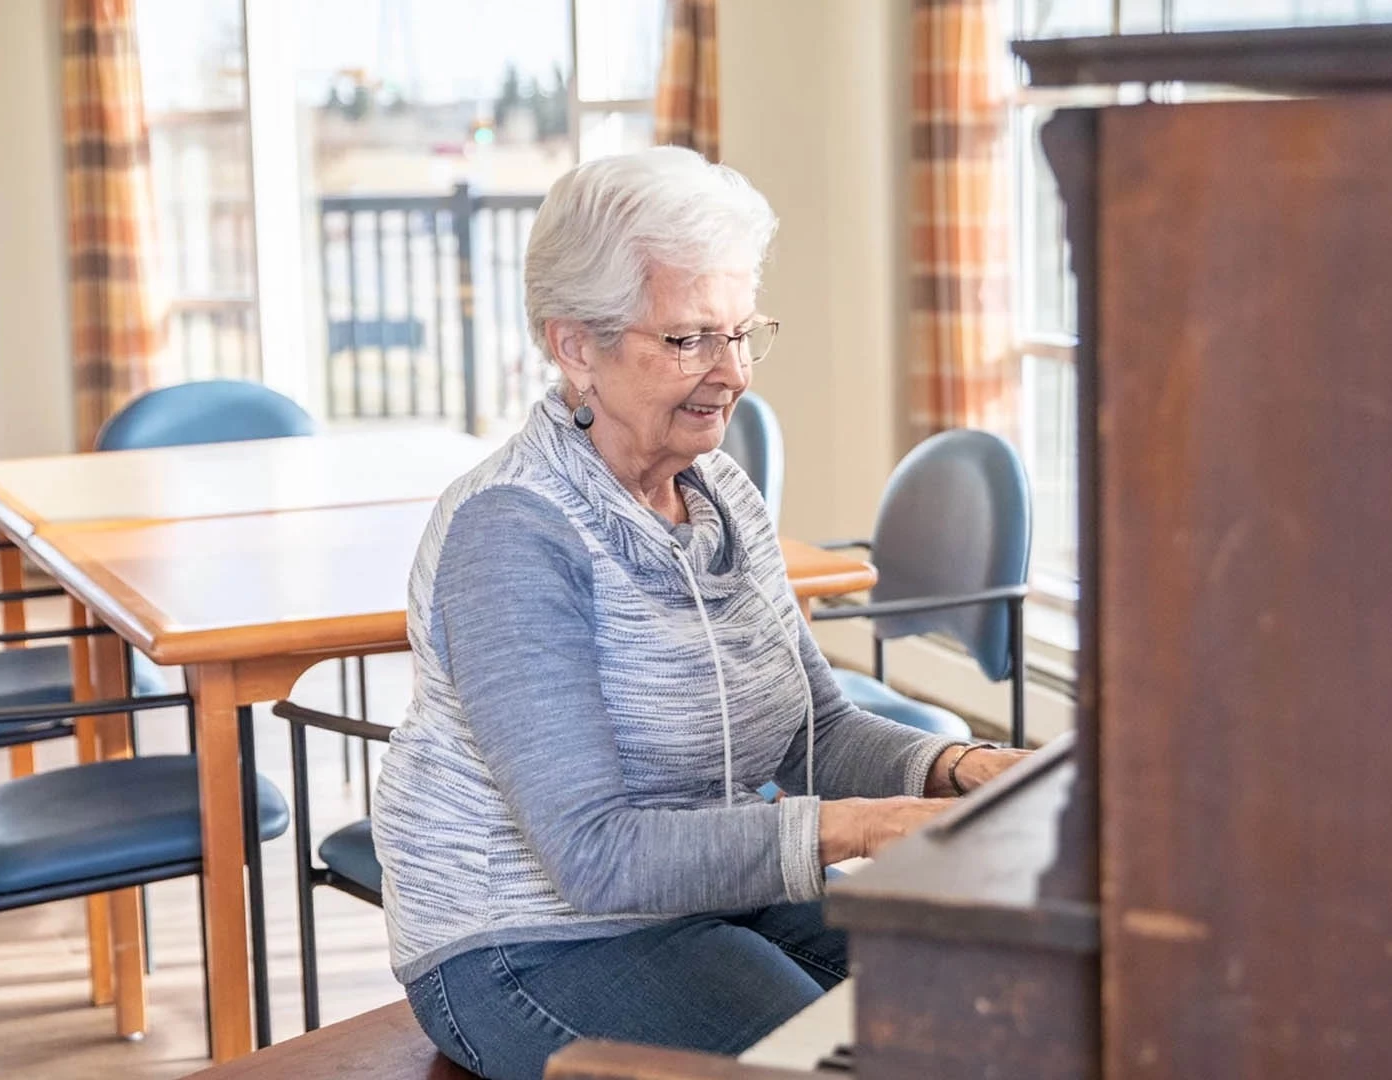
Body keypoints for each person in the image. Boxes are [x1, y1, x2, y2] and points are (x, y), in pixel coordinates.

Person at [372, 146, 1029, 1080]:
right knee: (855, 1064)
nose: (732, 372)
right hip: (528, 940)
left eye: (740, 333)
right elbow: (595, 859)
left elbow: (815, 732)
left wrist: (961, 769)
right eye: (688, 340)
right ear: (575, 346)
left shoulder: (720, 491)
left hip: (713, 890)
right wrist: (868, 828)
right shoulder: (512, 534)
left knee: (997, 1009)